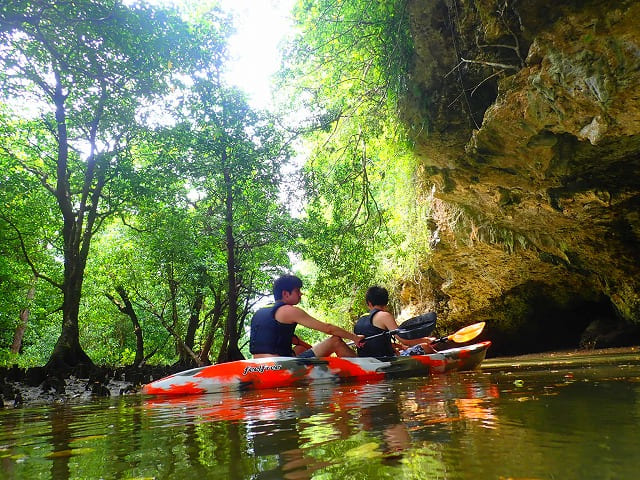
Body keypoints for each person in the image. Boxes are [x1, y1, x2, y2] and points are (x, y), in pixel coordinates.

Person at [250, 274, 364, 358]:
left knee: (301, 348)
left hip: (259, 364)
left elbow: (292, 339)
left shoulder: (260, 311)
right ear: (285, 293)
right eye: (297, 291)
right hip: (279, 365)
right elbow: (328, 328)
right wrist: (355, 338)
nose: (301, 294)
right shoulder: (290, 311)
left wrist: (309, 347)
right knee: (335, 341)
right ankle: (364, 369)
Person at [354, 286, 436, 358]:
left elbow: (375, 342)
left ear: (369, 303)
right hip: (386, 360)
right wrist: (426, 340)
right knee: (426, 347)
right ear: (386, 301)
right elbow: (405, 340)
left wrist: (399, 347)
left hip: (367, 360)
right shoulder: (384, 316)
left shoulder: (360, 320)